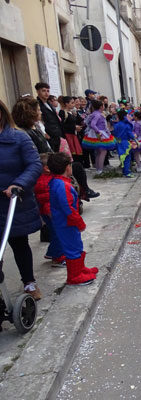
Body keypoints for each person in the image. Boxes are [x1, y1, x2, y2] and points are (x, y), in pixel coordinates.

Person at [12, 97, 100, 201]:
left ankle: (81, 192)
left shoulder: (34, 127)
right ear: (31, 113)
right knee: (74, 167)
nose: (40, 112)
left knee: (75, 166)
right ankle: (79, 194)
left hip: (49, 159)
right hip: (44, 166)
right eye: (38, 110)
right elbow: (37, 154)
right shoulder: (25, 133)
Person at [0, 99, 43, 300]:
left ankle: (29, 282)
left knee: (19, 243)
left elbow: (34, 164)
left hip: (12, 202)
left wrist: (19, 184)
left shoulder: (19, 138)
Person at [47, 152, 97, 285]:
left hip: (65, 222)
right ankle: (74, 276)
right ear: (67, 167)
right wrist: (79, 222)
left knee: (76, 245)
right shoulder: (62, 186)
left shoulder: (57, 182)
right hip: (66, 223)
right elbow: (68, 208)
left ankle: (80, 269)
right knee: (73, 248)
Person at [82, 100, 116, 174]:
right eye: (103, 105)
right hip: (99, 134)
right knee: (103, 151)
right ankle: (100, 169)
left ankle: (98, 169)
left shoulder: (95, 114)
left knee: (98, 152)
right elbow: (93, 124)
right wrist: (98, 132)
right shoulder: (98, 115)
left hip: (96, 133)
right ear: (101, 107)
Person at [35, 82, 62, 152]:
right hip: (48, 136)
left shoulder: (48, 103)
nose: (46, 93)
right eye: (43, 91)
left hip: (56, 135)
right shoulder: (36, 104)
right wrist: (43, 133)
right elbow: (37, 121)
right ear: (38, 92)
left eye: (48, 91)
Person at [112, 109, 135, 178]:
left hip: (118, 142)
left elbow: (114, 133)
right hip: (125, 142)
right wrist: (134, 137)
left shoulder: (116, 125)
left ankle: (124, 169)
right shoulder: (126, 125)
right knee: (127, 157)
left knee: (121, 156)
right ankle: (126, 172)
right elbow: (130, 134)